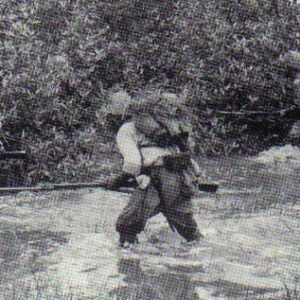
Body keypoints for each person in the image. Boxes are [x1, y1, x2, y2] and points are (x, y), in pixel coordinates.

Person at [107, 91, 203, 247]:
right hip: (181, 179)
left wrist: (117, 181)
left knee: (127, 228)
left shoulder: (126, 130)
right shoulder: (169, 129)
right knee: (191, 234)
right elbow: (194, 166)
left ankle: (129, 264)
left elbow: (133, 164)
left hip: (156, 179)